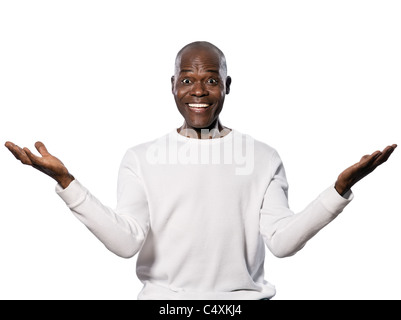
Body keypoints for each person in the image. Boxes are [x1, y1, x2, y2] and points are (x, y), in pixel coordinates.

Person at [4, 41, 397, 300]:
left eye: (211, 79)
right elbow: (126, 243)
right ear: (172, 85)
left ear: (227, 85)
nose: (198, 90)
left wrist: (338, 190)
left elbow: (281, 242)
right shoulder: (142, 157)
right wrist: (66, 183)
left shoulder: (261, 156)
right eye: (188, 79)